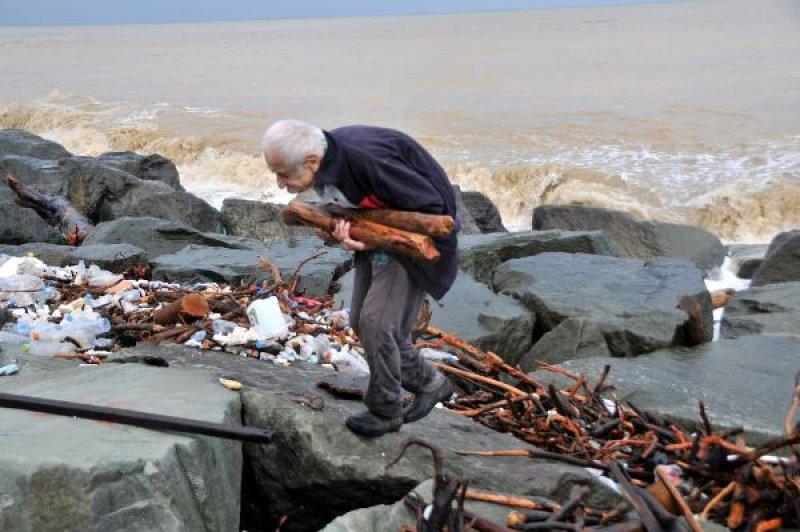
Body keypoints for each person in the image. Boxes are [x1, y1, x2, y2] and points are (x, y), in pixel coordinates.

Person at [262, 119, 459, 437]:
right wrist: (340, 232)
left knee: (377, 324)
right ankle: (431, 384)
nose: (280, 184)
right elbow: (349, 207)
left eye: (283, 174)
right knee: (361, 322)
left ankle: (385, 410)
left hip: (414, 242)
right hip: (375, 236)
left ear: (312, 161)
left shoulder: (367, 161)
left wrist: (370, 239)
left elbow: (433, 210)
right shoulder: (329, 156)